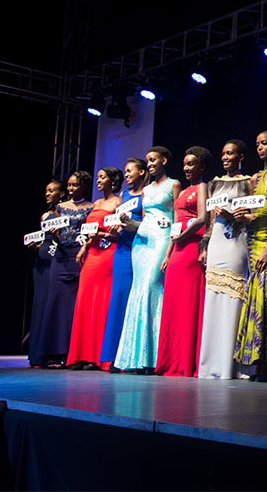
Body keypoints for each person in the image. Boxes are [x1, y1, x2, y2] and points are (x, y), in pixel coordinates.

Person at [114, 146, 180, 371]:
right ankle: (134, 358)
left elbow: (177, 220)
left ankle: (154, 358)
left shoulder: (174, 184)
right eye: (148, 161)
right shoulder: (147, 190)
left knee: (153, 288)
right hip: (141, 242)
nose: (150, 164)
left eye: (153, 160)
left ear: (164, 160)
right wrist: (127, 222)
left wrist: (169, 250)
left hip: (161, 240)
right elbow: (142, 222)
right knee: (139, 290)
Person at [233, 131, 267, 381]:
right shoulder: (254, 178)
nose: (260, 148)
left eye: (264, 143)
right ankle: (255, 358)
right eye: (257, 144)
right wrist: (243, 217)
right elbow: (254, 211)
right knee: (254, 294)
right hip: (253, 238)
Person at [198, 140, 251, 379]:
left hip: (236, 241)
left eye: (230, 153)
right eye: (223, 154)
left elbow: (253, 214)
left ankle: (230, 364)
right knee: (213, 298)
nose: (225, 157)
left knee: (232, 298)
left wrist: (234, 217)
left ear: (241, 157)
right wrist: (205, 245)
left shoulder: (248, 182)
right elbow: (210, 220)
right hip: (217, 242)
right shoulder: (214, 183)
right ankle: (210, 365)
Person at [155, 146, 211, 377]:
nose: (187, 168)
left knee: (188, 303)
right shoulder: (182, 191)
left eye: (191, 164)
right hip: (177, 250)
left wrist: (184, 237)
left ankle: (186, 360)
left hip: (190, 248)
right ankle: (171, 359)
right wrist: (167, 254)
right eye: (185, 164)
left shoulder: (201, 188)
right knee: (173, 304)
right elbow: (175, 226)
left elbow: (203, 218)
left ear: (201, 167)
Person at [34, 171, 93, 368]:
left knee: (73, 305)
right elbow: (58, 237)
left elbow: (88, 232)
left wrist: (84, 247)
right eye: (69, 185)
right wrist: (55, 234)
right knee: (55, 302)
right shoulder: (61, 207)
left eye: (74, 185)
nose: (70, 188)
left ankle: (69, 353)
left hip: (78, 255)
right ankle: (51, 352)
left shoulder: (90, 207)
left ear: (84, 186)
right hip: (60, 257)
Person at [66, 167, 123, 370]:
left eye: (102, 177)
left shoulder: (118, 202)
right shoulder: (96, 203)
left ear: (112, 181)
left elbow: (118, 233)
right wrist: (84, 247)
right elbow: (89, 232)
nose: (98, 181)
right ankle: (81, 354)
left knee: (101, 302)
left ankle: (98, 356)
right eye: (97, 177)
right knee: (85, 300)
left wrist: (102, 235)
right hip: (91, 254)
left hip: (107, 254)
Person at [99, 158, 146, 369]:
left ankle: (132, 355)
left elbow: (147, 223)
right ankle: (114, 356)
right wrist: (115, 229)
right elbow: (117, 219)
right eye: (125, 172)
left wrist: (132, 225)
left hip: (140, 247)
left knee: (133, 299)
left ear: (141, 172)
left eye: (130, 171)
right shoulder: (123, 195)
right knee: (118, 298)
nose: (126, 175)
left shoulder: (146, 194)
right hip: (121, 249)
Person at [27, 180, 66, 368]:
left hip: (57, 262)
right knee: (40, 305)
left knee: (52, 305)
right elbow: (43, 239)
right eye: (46, 191)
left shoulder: (65, 213)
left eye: (52, 191)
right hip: (41, 264)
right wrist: (35, 246)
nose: (47, 194)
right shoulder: (45, 215)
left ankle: (50, 353)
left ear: (62, 194)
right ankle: (36, 355)